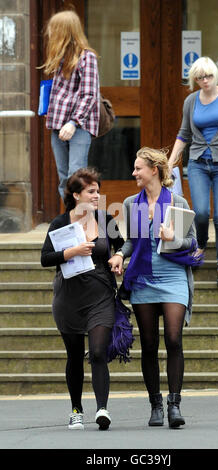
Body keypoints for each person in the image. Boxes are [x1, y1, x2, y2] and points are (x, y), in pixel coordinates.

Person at [108, 147, 202, 429]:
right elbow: (132, 242)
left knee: (173, 339)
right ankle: (156, 404)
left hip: (173, 278)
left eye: (138, 168)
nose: (133, 173)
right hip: (143, 280)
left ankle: (175, 404)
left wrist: (174, 237)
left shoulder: (177, 202)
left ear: (154, 170)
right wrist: (119, 255)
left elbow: (193, 244)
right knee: (149, 344)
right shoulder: (130, 204)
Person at [41, 168, 124, 430]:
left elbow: (122, 244)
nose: (98, 195)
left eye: (98, 190)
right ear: (77, 195)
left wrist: (118, 256)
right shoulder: (59, 223)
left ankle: (102, 408)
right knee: (75, 355)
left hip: (100, 294)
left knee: (99, 352)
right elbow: (45, 258)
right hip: (69, 297)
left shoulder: (105, 218)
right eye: (91, 191)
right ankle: (76, 409)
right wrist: (71, 251)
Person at [168, 56, 218, 287]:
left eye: (209, 76)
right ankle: (201, 244)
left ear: (215, 75)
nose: (205, 81)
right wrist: (170, 162)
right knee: (201, 212)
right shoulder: (191, 101)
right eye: (200, 77)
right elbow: (184, 133)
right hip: (198, 163)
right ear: (195, 79)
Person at [40, 10, 100, 199]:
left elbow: (89, 94)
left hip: (78, 126)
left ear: (64, 31)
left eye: (54, 30)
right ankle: (70, 221)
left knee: (77, 176)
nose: (50, 34)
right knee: (64, 179)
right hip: (58, 125)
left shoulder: (86, 57)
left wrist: (73, 122)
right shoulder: (60, 58)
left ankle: (82, 222)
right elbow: (60, 93)